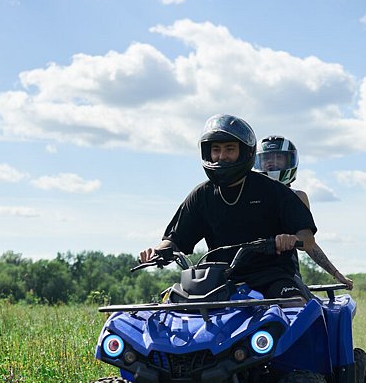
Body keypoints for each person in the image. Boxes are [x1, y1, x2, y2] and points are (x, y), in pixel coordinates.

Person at [138, 114, 319, 300]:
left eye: (229, 149)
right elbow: (175, 239)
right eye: (216, 149)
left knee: (293, 305)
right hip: (219, 279)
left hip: (272, 276)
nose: (221, 156)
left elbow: (308, 238)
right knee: (173, 306)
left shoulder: (273, 190)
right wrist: (157, 251)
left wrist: (290, 239)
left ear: (246, 152)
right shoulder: (202, 195)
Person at [254, 135, 354, 289]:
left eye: (278, 157)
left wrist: (335, 273)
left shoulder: (297, 197)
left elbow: (307, 241)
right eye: (266, 158)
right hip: (246, 270)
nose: (271, 162)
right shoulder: (246, 195)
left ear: (290, 161)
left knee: (298, 306)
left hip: (283, 272)